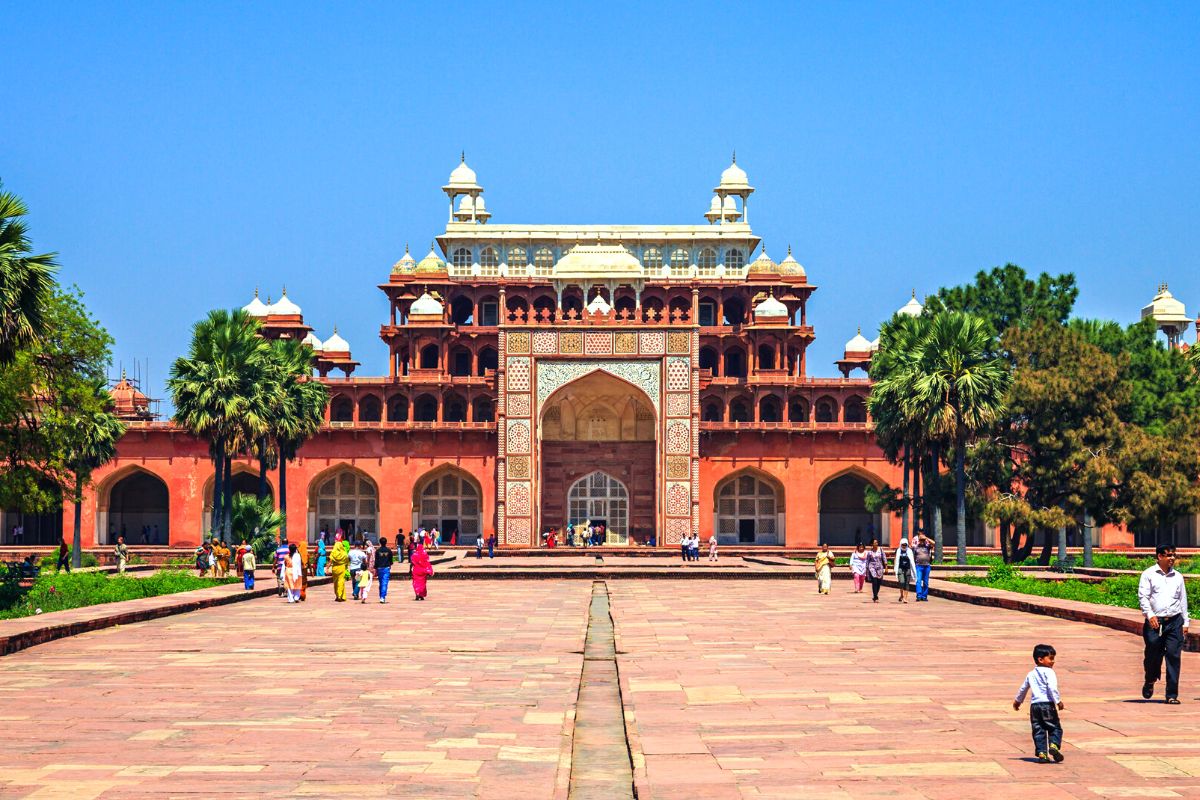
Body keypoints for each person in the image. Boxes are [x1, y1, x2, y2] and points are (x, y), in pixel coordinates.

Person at [1138, 543, 1190, 704]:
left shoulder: (1178, 577)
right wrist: (1150, 615)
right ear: (1160, 556)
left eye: (1174, 555)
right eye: (1169, 555)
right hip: (1155, 623)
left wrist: (1185, 621)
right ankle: (1150, 679)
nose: (1172, 558)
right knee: (1153, 654)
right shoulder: (1149, 574)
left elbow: (1183, 600)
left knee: (1174, 656)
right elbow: (1143, 597)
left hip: (1175, 621)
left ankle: (1172, 694)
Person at [1013, 643, 1065, 763]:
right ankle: (1053, 746)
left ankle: (1042, 754)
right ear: (1040, 659)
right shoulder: (1049, 672)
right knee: (1055, 728)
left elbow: (1023, 688)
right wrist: (1058, 701)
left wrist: (1018, 701)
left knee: (1039, 730)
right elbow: (1052, 688)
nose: (1053, 661)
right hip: (1047, 705)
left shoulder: (1031, 674)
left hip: (1034, 707)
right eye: (1051, 658)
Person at [913, 531, 934, 601]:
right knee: (918, 581)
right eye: (921, 540)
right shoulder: (916, 547)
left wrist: (926, 538)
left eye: (923, 540)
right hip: (919, 566)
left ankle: (924, 596)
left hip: (927, 566)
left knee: (926, 582)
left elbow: (934, 543)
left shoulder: (927, 547)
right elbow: (913, 556)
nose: (922, 541)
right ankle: (919, 596)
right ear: (918, 540)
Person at [894, 538, 915, 603]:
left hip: (907, 568)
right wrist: (895, 568)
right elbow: (896, 559)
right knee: (901, 582)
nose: (904, 546)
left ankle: (905, 598)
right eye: (902, 545)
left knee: (907, 583)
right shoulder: (898, 551)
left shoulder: (909, 551)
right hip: (900, 568)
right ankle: (901, 595)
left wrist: (913, 570)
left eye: (905, 545)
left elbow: (912, 560)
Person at [375, 536, 393, 603]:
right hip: (386, 568)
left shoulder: (378, 551)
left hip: (379, 568)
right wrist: (390, 564)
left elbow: (376, 560)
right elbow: (391, 560)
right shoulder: (389, 551)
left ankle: (381, 596)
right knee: (384, 583)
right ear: (386, 542)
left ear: (380, 543)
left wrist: (375, 567)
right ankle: (382, 597)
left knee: (381, 583)